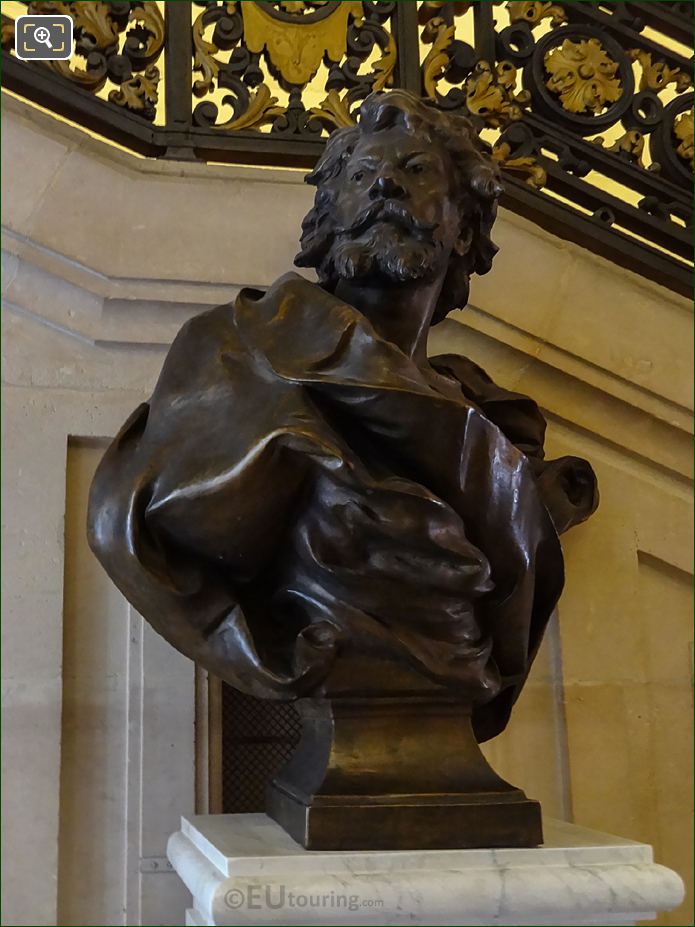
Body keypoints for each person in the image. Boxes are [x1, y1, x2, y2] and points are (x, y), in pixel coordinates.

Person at [88, 89, 597, 744]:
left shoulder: (486, 417)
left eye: (415, 171)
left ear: (464, 228)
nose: (385, 181)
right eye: (361, 176)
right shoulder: (236, 349)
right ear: (329, 219)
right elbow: (141, 522)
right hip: (334, 671)